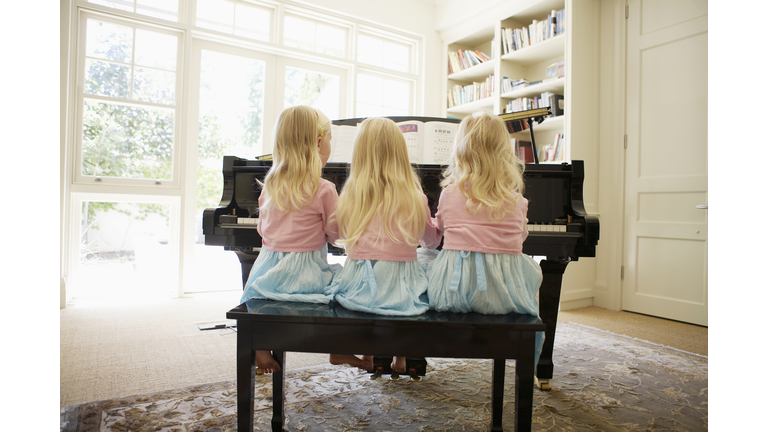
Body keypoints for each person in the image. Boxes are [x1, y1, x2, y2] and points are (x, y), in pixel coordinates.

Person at [426, 111, 545, 365]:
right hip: (506, 296)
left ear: (462, 150)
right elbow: (520, 240)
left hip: (453, 294)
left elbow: (439, 237)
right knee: (531, 271)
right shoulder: (518, 201)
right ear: (504, 152)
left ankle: (403, 348)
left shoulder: (450, 193)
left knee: (419, 258)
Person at [325, 117, 441, 373]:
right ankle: (401, 357)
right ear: (401, 154)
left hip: (359, 284)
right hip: (401, 287)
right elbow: (431, 241)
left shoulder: (350, 196)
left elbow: (337, 235)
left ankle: (366, 351)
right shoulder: (415, 197)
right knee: (424, 264)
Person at [239, 105, 341, 373]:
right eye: (331, 139)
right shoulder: (324, 189)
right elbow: (336, 233)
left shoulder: (270, 187)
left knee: (252, 291)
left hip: (267, 274)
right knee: (347, 288)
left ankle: (261, 348)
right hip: (307, 277)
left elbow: (263, 231)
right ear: (319, 142)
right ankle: (339, 347)